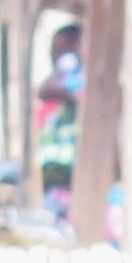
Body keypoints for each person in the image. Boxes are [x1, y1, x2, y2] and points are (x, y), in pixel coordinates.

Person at [35, 20, 82, 212]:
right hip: (52, 174)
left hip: (76, 173)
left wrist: (65, 66)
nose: (59, 54)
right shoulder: (55, 80)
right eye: (56, 48)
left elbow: (52, 89)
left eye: (68, 48)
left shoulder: (80, 79)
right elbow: (45, 91)